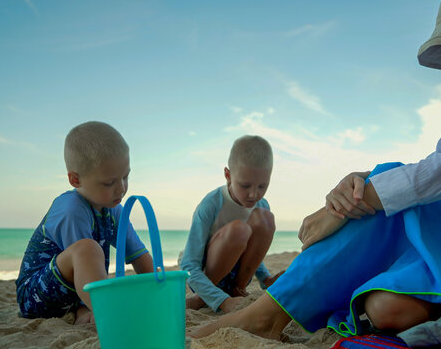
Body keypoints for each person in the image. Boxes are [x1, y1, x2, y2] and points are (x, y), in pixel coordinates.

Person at [191, 0, 441, 341]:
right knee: (385, 300)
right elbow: (433, 167)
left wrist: (343, 207)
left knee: (386, 285)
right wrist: (360, 184)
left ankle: (265, 315)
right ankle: (272, 311)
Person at [16, 121, 154, 324]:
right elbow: (84, 264)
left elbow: (138, 254)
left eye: (126, 177)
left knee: (92, 256)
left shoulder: (113, 207)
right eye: (109, 182)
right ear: (75, 180)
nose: (122, 189)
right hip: (36, 296)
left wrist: (160, 289)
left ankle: (84, 311)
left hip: (75, 293)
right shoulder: (71, 209)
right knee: (87, 250)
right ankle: (105, 311)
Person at [180, 135, 284, 313]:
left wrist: (265, 278)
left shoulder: (261, 205)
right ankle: (202, 299)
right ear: (228, 175)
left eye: (262, 186)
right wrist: (220, 300)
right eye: (245, 186)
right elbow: (189, 265)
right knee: (239, 230)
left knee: (265, 218)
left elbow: (252, 250)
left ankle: (238, 290)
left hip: (237, 275)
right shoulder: (212, 204)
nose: (253, 194)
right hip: (207, 277)